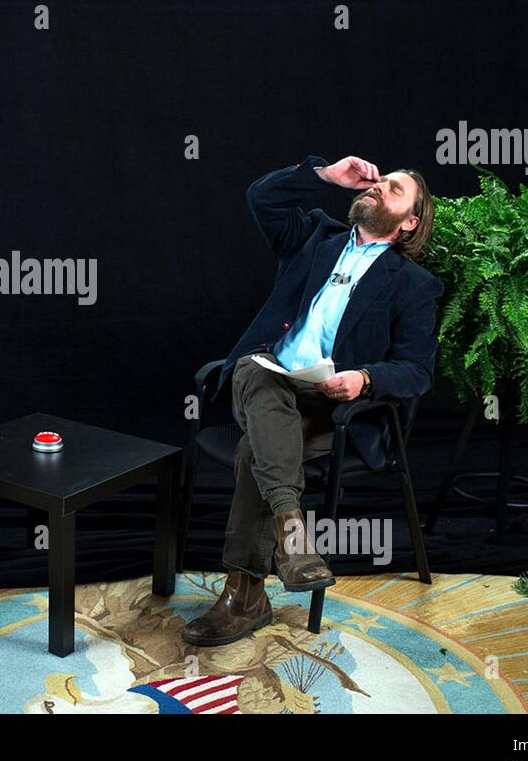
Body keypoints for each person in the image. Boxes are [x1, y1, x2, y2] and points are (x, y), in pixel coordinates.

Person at [183, 154, 443, 647]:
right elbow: (260, 196)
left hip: (334, 408)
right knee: (252, 368)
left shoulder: (414, 285)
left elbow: (417, 371)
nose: (378, 187)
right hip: (268, 381)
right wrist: (324, 175)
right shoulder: (313, 238)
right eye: (378, 181)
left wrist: (363, 378)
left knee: (251, 451)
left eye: (392, 190)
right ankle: (292, 537)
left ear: (409, 223)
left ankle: (246, 596)